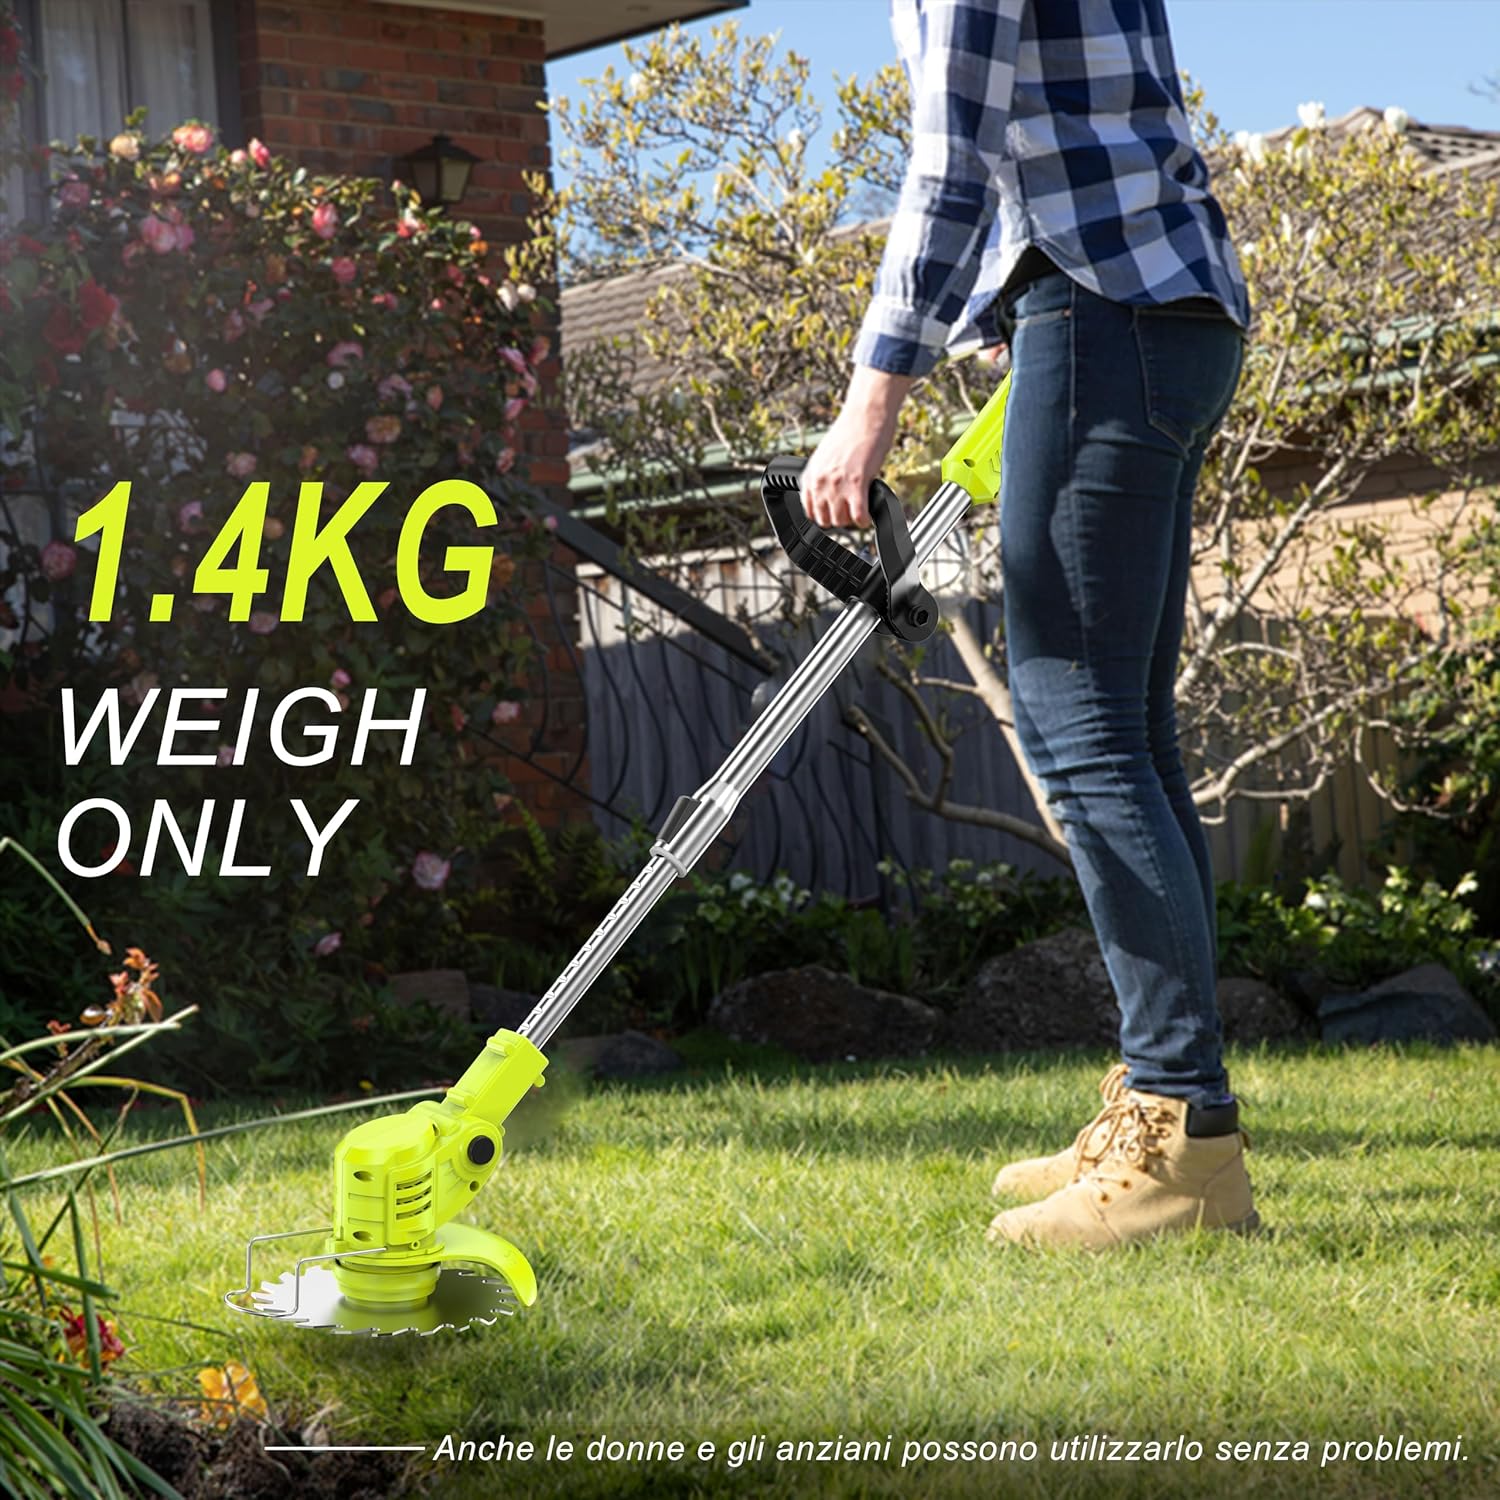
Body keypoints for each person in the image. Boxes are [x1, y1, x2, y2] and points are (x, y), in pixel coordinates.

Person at [799, 0, 1257, 1248]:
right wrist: (1015, 323)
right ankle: (1164, 1104)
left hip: (1102, 307)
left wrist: (869, 398)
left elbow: (950, 161)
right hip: (1152, 305)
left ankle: (1183, 1137)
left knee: (1080, 727)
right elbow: (1083, 126)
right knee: (1129, 732)